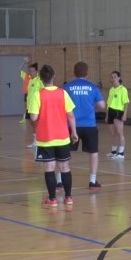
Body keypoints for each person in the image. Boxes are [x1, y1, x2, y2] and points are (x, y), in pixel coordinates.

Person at [28, 64, 78, 208]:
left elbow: (33, 117)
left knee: (49, 167)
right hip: (62, 136)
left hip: (46, 137)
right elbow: (71, 115)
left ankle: (52, 199)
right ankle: (68, 197)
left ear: (41, 79)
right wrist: (74, 132)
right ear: (54, 77)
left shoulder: (38, 94)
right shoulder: (62, 93)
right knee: (65, 167)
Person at [64, 61, 106, 192]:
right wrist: (92, 109)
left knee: (64, 153)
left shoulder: (67, 87)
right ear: (86, 73)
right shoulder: (92, 87)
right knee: (93, 153)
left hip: (71, 125)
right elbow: (102, 106)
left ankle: (59, 181)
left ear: (74, 72)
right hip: (89, 124)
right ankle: (92, 181)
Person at [106, 71, 129, 159]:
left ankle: (121, 153)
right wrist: (107, 115)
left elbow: (126, 103)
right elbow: (109, 103)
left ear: (119, 78)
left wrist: (125, 114)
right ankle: (113, 151)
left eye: (115, 77)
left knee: (120, 133)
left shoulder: (123, 89)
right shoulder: (111, 89)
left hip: (118, 111)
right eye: (112, 77)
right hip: (111, 111)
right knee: (113, 134)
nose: (113, 79)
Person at [25, 62, 42, 148]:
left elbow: (44, 92)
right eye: (29, 71)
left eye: (32, 71)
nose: (30, 73)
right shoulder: (30, 80)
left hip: (37, 107)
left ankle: (39, 141)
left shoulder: (39, 80)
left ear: (36, 72)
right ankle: (35, 141)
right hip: (30, 106)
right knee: (33, 124)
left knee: (37, 124)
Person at [19, 57, 34, 123]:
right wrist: (24, 63)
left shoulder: (34, 76)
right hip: (26, 93)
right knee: (25, 106)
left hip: (32, 94)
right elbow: (19, 69)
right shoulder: (25, 75)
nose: (29, 71)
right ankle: (24, 119)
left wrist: (29, 62)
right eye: (28, 70)